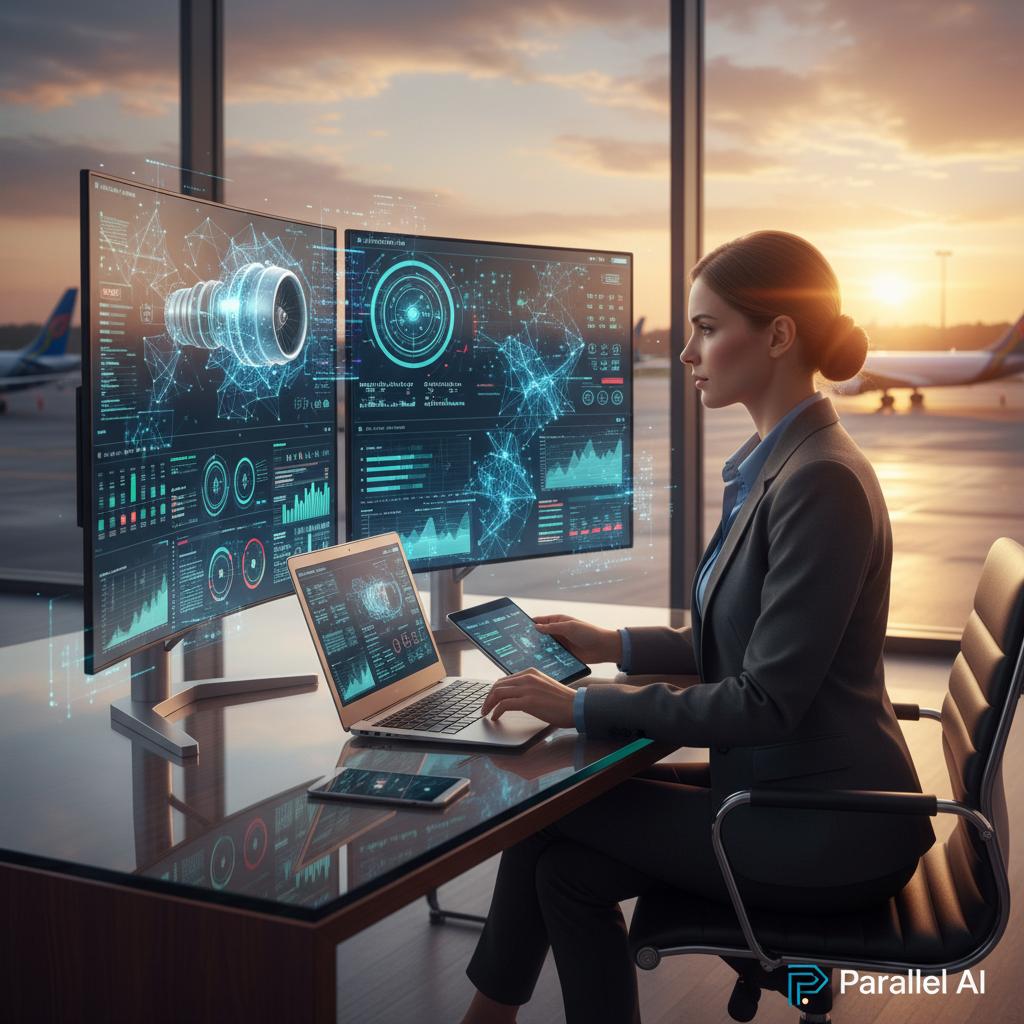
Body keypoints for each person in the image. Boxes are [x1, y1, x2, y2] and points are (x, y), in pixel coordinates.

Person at [458, 231, 936, 1024]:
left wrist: (577, 705)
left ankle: (484, 1019)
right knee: (562, 864)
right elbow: (749, 642)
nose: (686, 352)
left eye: (707, 329)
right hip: (780, 787)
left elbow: (762, 700)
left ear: (778, 334)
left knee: (546, 814)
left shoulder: (819, 482)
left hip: (828, 823)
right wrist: (611, 646)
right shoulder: (778, 464)